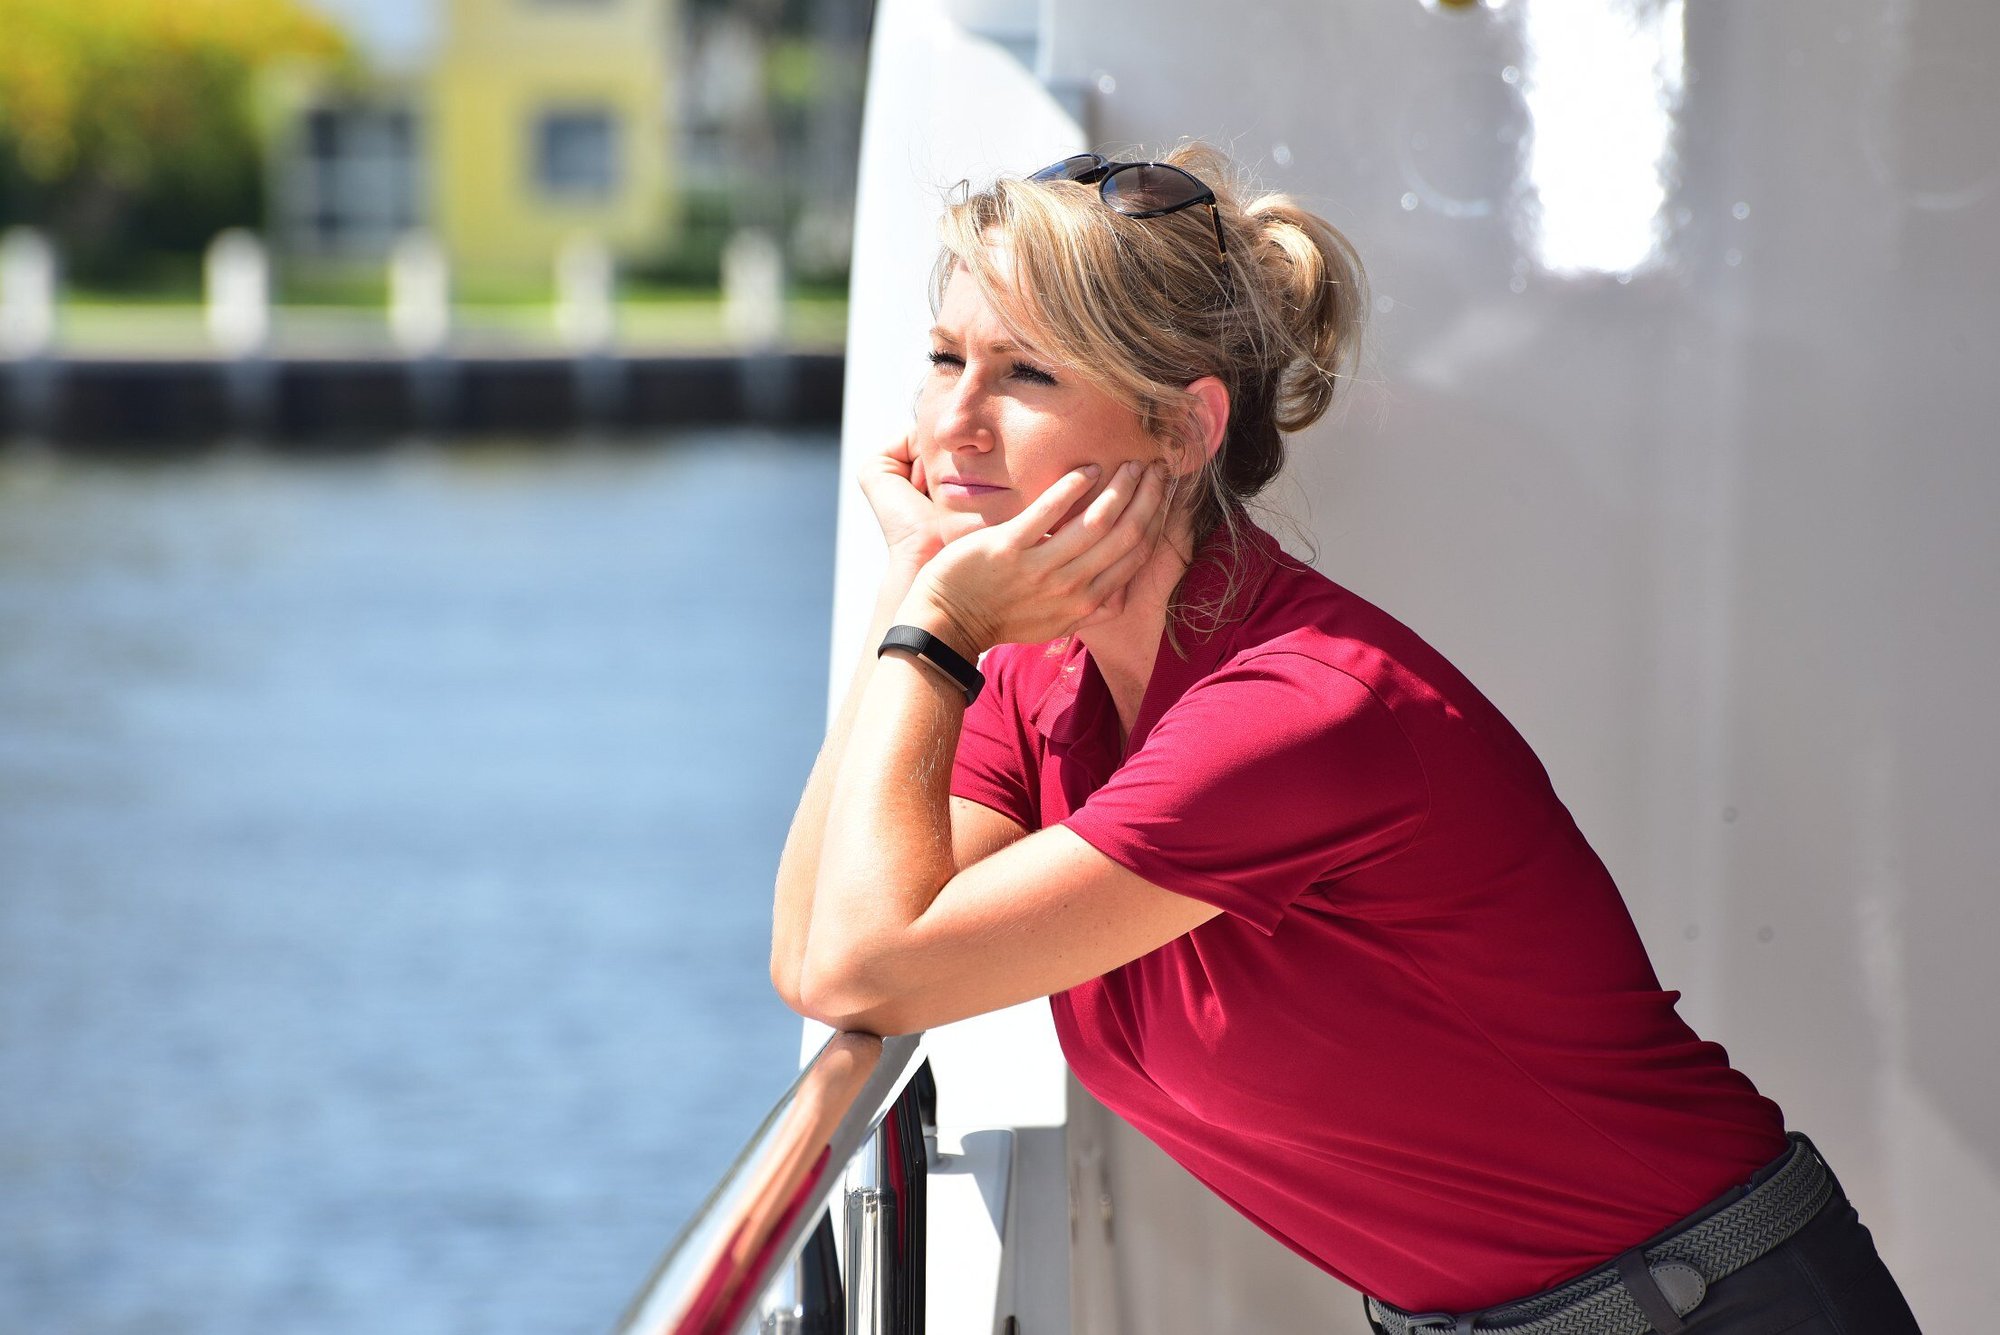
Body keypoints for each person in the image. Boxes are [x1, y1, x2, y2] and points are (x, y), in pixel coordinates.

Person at [769, 143, 1922, 1334]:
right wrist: (909, 594)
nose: (952, 424)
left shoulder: (1294, 715)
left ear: (1181, 427)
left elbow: (869, 969)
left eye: (1024, 376)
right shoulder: (1036, 682)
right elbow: (818, 947)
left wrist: (940, 622)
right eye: (944, 358)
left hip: (1710, 1306)